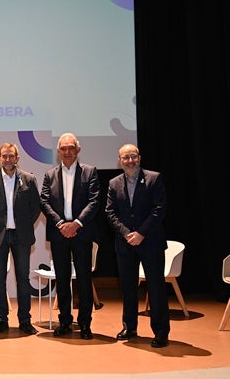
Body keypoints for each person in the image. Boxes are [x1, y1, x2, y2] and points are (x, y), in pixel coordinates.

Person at [105, 143, 170, 348]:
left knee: (156, 288)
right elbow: (110, 212)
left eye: (133, 156)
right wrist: (126, 234)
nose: (130, 160)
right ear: (120, 160)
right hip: (125, 244)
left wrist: (142, 233)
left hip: (150, 242)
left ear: (139, 158)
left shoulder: (154, 178)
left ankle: (161, 332)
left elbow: (159, 209)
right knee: (128, 288)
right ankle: (130, 327)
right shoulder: (114, 183)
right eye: (126, 157)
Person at [39, 133, 99, 340]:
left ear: (78, 150)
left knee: (84, 280)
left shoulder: (90, 172)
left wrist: (76, 224)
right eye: (63, 148)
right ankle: (64, 321)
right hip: (59, 234)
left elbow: (94, 202)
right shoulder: (50, 175)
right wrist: (60, 224)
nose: (67, 152)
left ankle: (85, 324)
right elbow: (44, 202)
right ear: (58, 151)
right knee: (62, 281)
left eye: (71, 148)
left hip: (81, 233)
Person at [0, 142, 41, 335]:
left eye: (11, 156)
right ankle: (1, 319)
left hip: (21, 236)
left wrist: (22, 224)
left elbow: (35, 208)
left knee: (23, 279)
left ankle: (24, 320)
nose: (8, 159)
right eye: (4, 156)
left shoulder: (29, 179)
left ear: (17, 158)